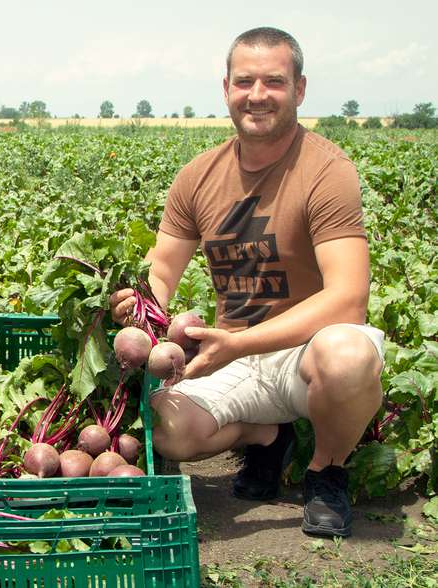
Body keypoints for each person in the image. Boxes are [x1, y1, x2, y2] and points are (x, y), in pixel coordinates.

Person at [109, 27, 383, 538]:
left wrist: (237, 344)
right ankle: (266, 438)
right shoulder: (198, 175)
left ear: (299, 89)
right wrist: (139, 308)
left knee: (349, 356)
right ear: (227, 89)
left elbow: (349, 297)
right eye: (245, 81)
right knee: (167, 429)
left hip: (306, 354)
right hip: (237, 356)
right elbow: (163, 270)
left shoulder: (326, 169)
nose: (258, 95)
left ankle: (326, 470)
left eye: (274, 81)